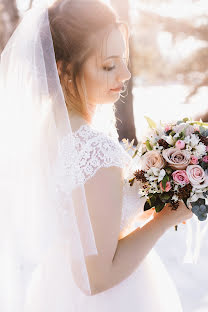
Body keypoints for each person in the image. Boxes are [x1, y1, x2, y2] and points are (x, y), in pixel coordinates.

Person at [0, 0, 193, 311]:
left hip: (55, 287)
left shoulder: (49, 127)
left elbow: (86, 219)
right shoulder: (95, 151)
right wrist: (165, 219)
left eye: (124, 60)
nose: (126, 74)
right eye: (109, 65)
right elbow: (96, 279)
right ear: (63, 71)